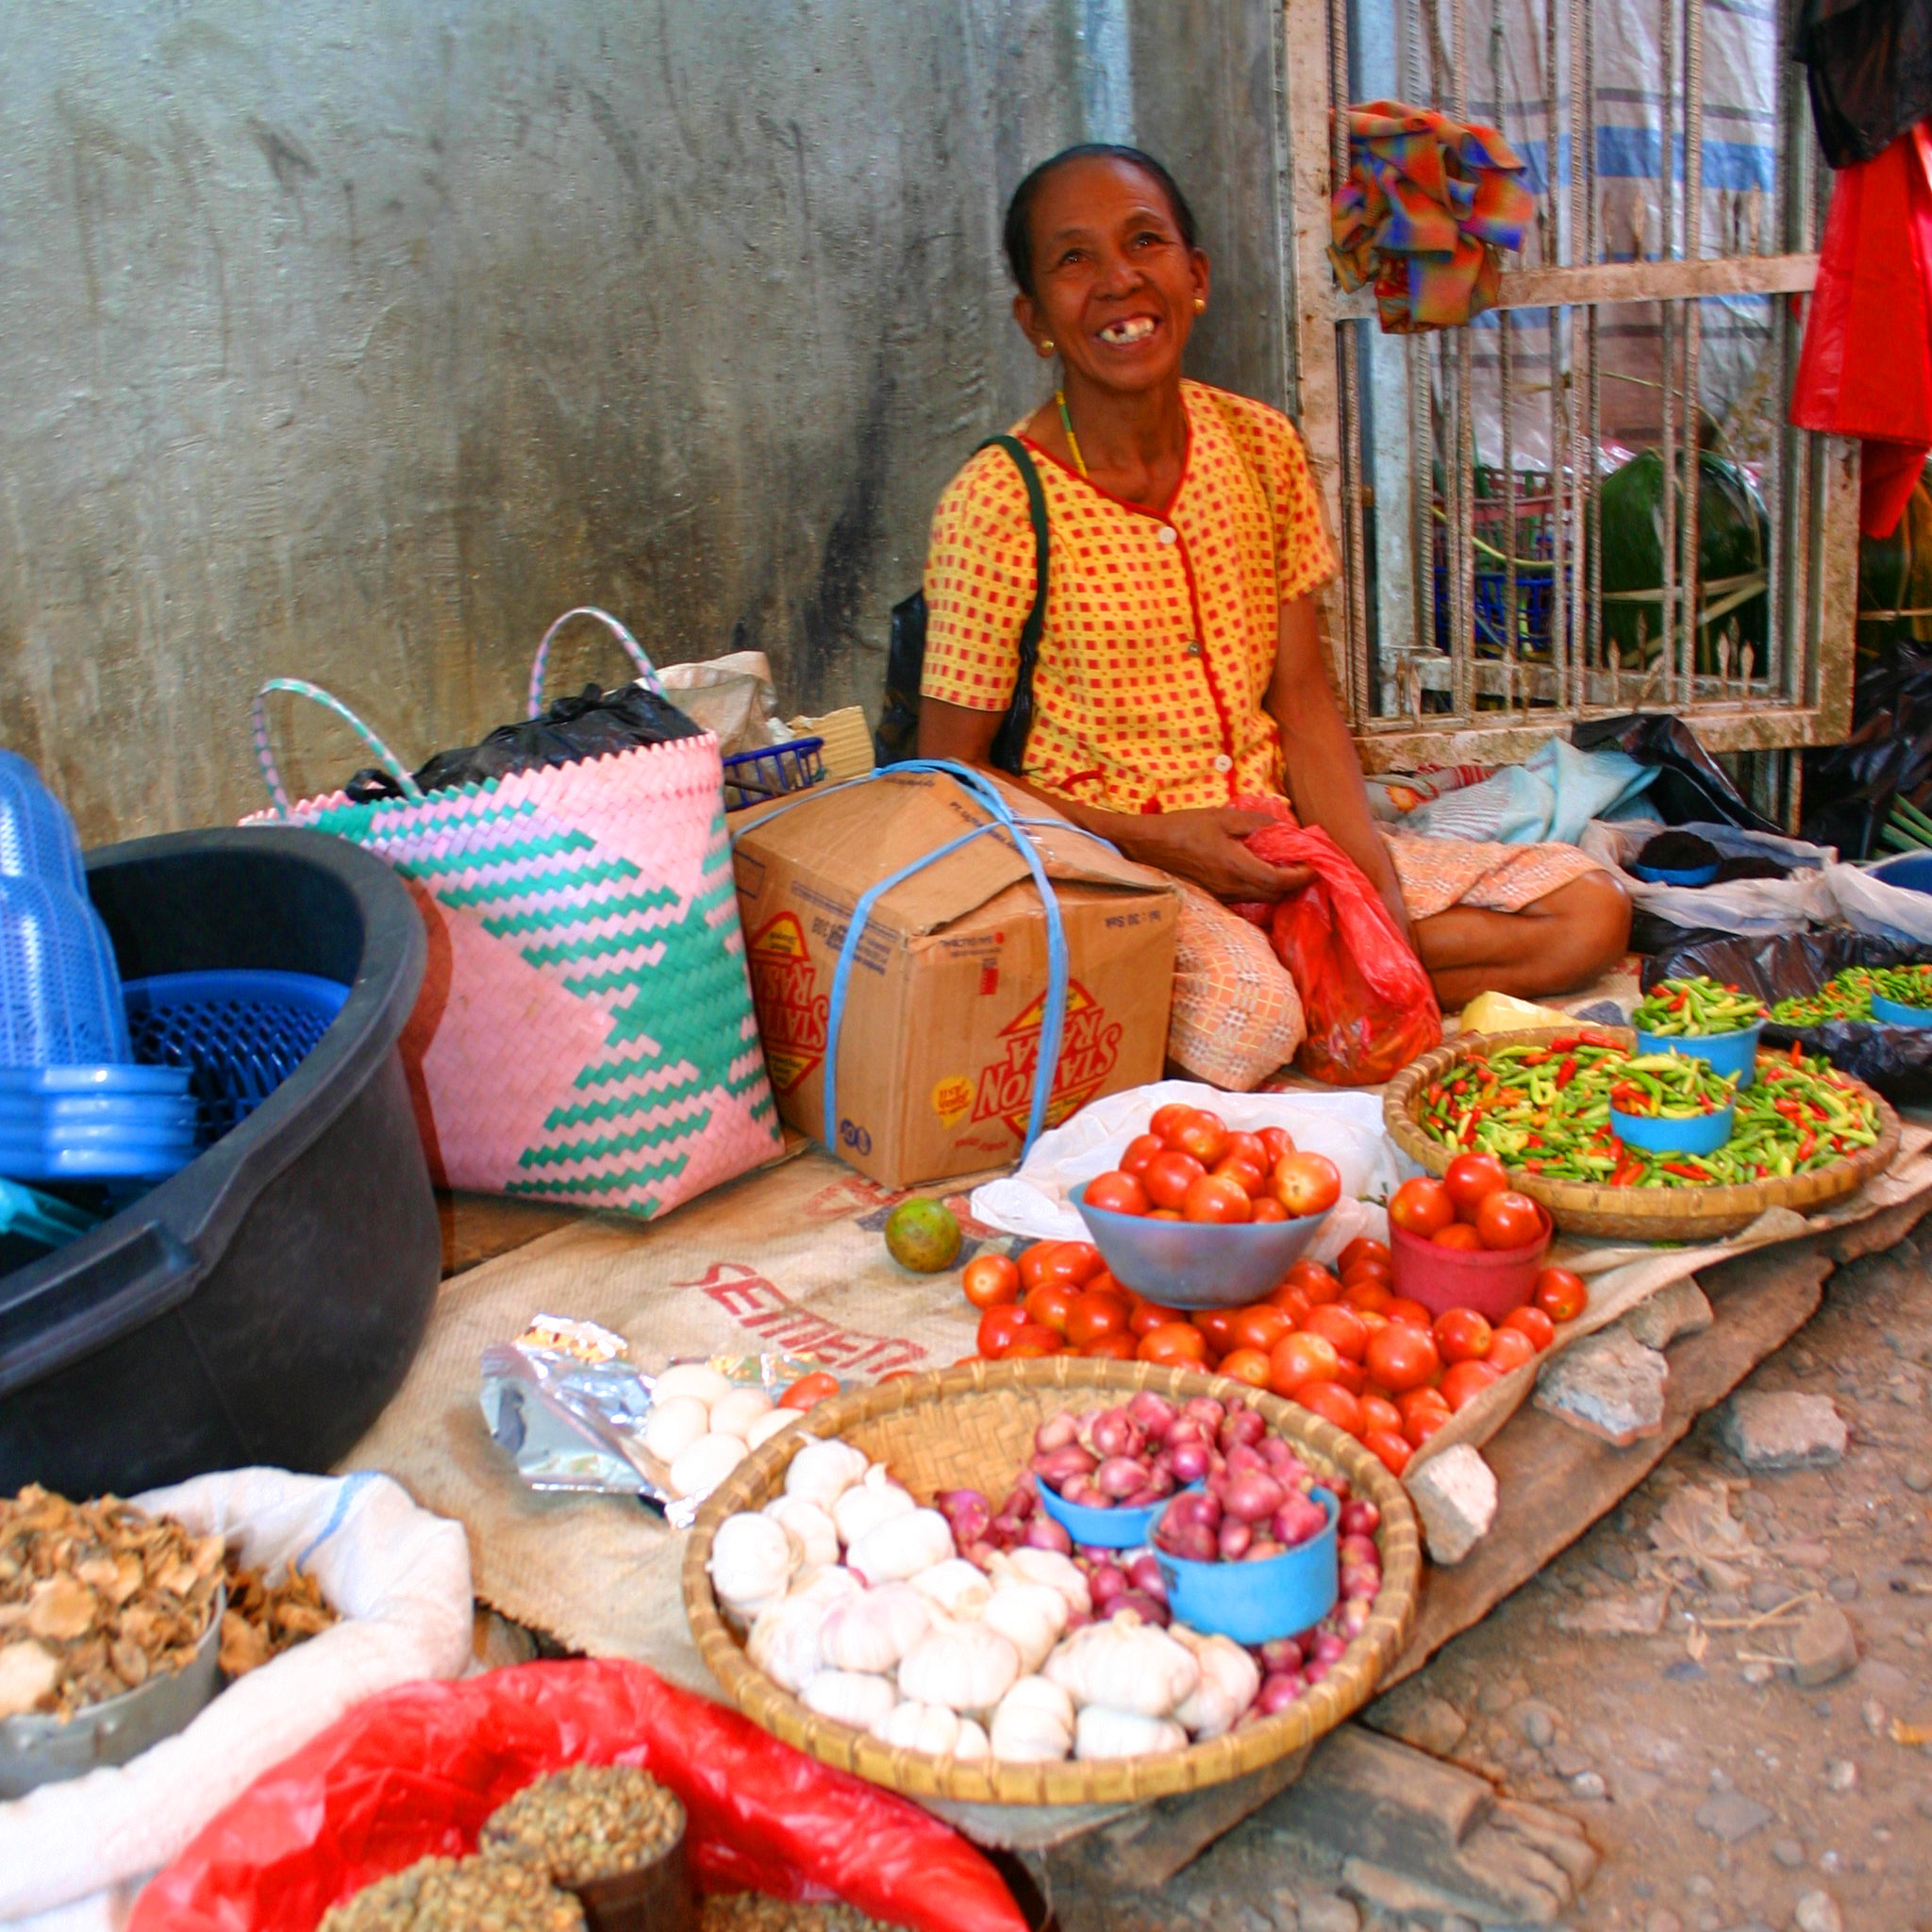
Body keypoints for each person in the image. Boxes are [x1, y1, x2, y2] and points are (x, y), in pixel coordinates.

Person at [916, 142, 1628, 1063]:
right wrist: (1161, 841)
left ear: (1195, 276)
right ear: (1034, 319)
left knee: (1587, 911)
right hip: (1117, 871)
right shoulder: (997, 498)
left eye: (1144, 242)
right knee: (1250, 1020)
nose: (1117, 280)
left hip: (1282, 849)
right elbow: (949, 776)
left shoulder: (1259, 447)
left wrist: (1370, 893)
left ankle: (1329, 972)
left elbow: (1300, 699)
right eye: (1071, 258)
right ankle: (1299, 983)